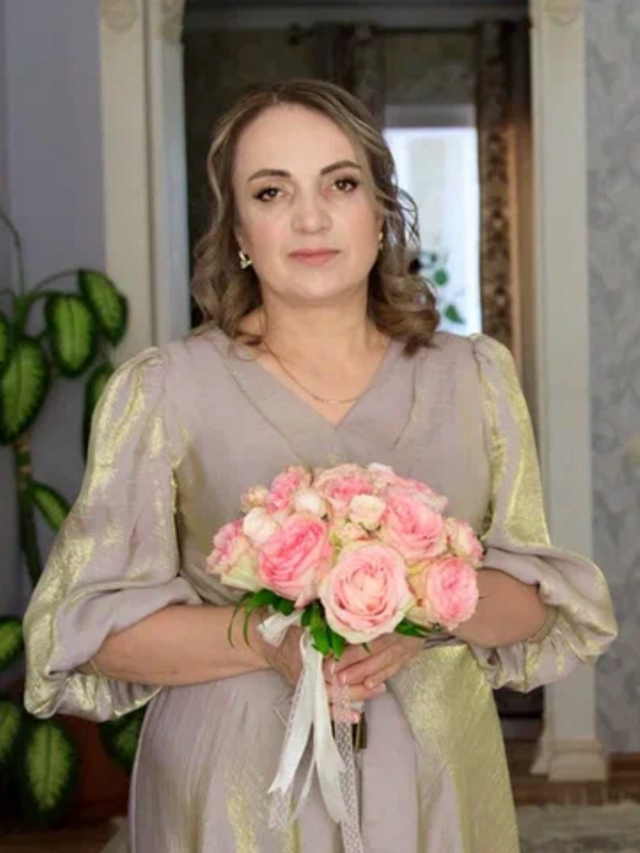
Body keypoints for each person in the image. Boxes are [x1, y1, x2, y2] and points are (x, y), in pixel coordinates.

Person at [23, 79, 617, 853]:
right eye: (271, 192)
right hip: (238, 789)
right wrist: (268, 638)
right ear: (238, 229)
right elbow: (94, 632)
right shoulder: (164, 389)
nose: (311, 218)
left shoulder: (473, 377)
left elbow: (534, 606)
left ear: (381, 210)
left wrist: (418, 612)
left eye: (340, 184)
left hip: (436, 776)